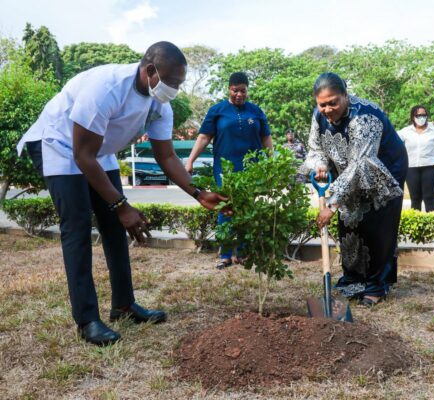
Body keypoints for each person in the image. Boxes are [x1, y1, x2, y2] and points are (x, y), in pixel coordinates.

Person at [16, 42, 228, 346]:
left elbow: (166, 157)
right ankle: (87, 319)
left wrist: (197, 193)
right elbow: (81, 156)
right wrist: (121, 204)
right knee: (77, 228)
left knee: (115, 226)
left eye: (179, 83)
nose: (175, 89)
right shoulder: (106, 88)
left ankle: (124, 306)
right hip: (60, 145)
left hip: (96, 151)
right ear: (150, 70)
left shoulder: (160, 105)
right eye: (172, 82)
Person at [304, 72, 408, 307]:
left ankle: (376, 285)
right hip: (347, 170)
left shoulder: (364, 118)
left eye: (334, 102)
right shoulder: (318, 115)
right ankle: (354, 280)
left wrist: (332, 203)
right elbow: (315, 147)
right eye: (323, 104)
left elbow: (362, 163)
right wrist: (320, 164)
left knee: (376, 223)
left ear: (345, 96)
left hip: (383, 169)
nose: (328, 109)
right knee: (350, 221)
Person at [185, 72, 273, 268]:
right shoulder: (218, 110)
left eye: (243, 90)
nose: (239, 94)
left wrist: (271, 163)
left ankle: (242, 253)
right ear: (229, 89)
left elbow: (266, 138)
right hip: (225, 170)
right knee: (224, 208)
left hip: (252, 170)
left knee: (246, 209)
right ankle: (225, 254)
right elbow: (204, 137)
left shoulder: (256, 111)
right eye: (235, 90)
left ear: (248, 90)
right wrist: (190, 160)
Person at [398, 105, 434, 212]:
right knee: (415, 199)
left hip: (430, 167)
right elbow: (394, 143)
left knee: (429, 199)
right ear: (412, 117)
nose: (421, 117)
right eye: (418, 115)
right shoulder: (405, 131)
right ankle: (417, 226)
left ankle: (432, 226)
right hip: (411, 168)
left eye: (424, 115)